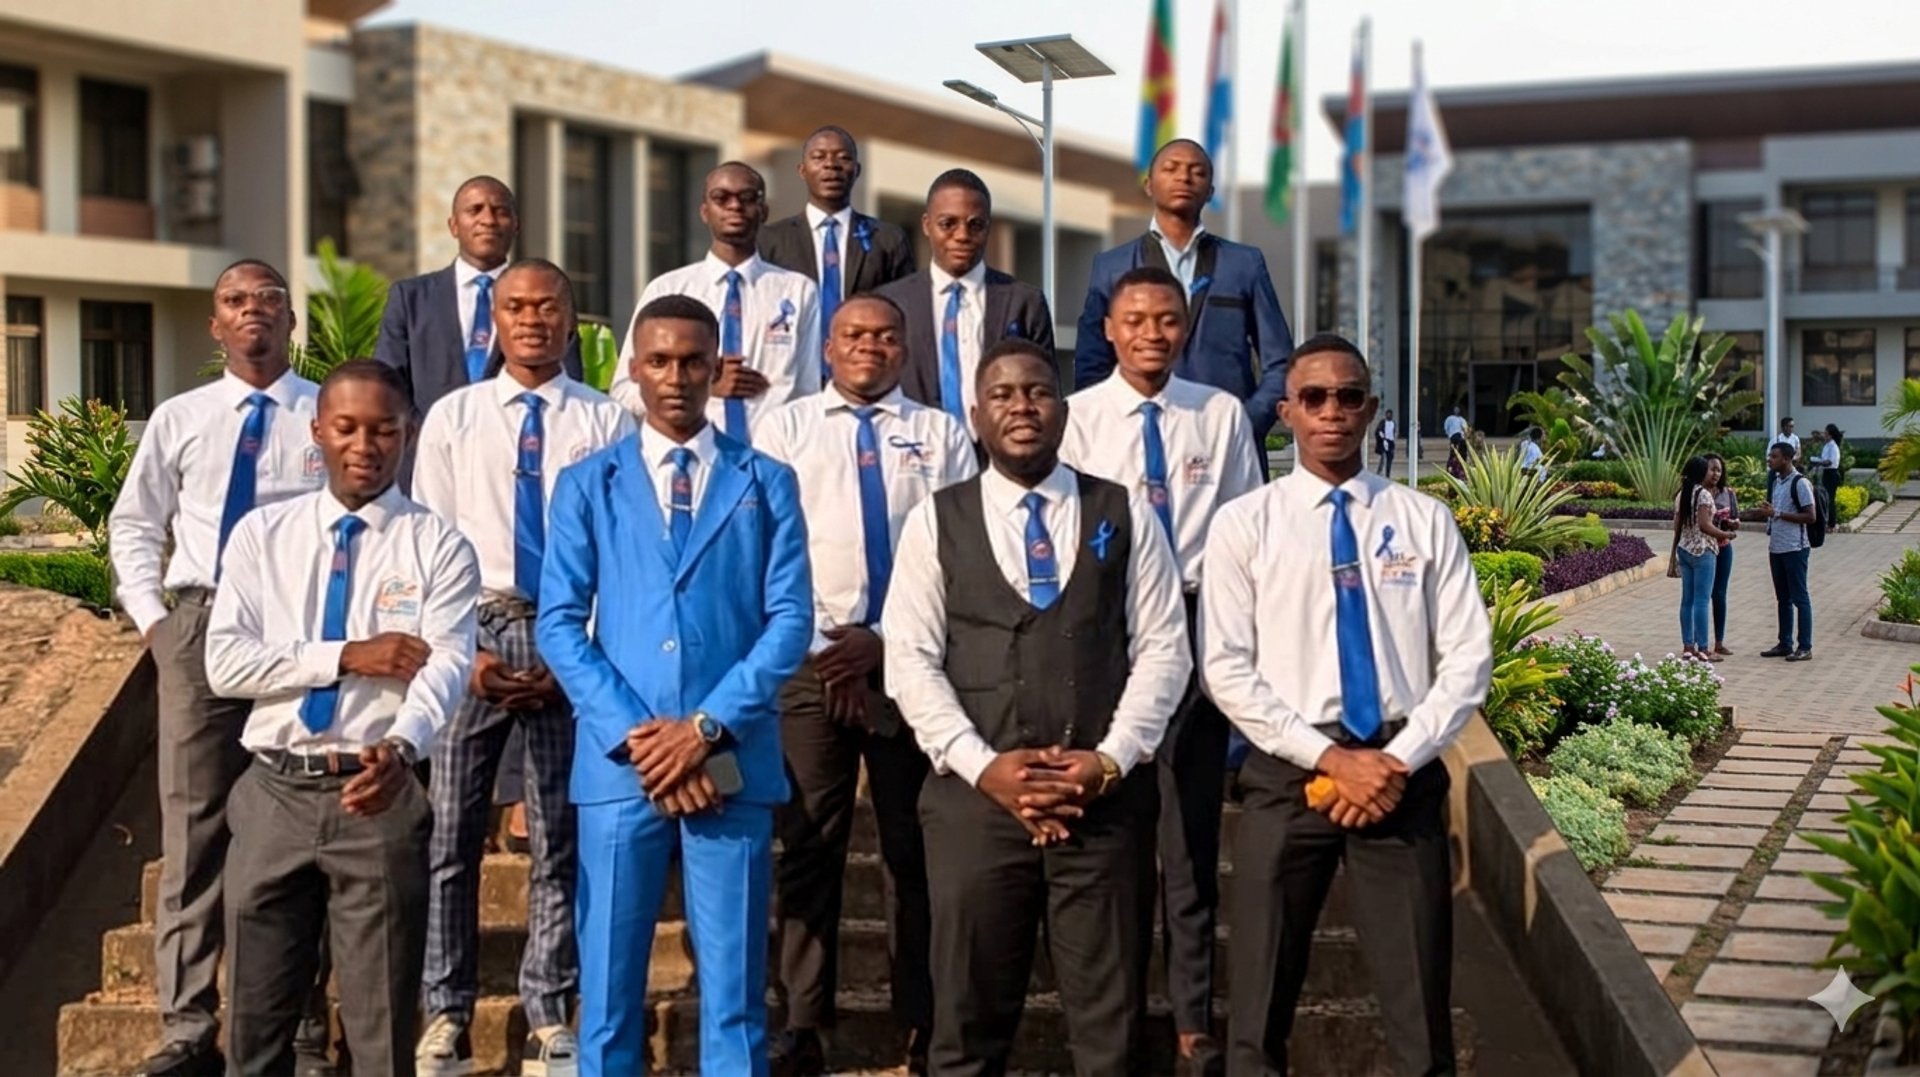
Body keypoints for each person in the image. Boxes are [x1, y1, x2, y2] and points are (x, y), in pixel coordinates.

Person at [883, 338, 1192, 1076]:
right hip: (974, 808)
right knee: (966, 1024)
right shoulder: (937, 519)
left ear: (1062, 408)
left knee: (1108, 1030)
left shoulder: (1121, 510)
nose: (1022, 406)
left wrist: (1110, 759)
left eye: (1038, 392)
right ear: (976, 415)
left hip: (1103, 807)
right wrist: (986, 768)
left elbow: (1163, 648)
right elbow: (910, 658)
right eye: (1003, 395)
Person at [1199, 333, 1492, 1077]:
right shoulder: (1244, 524)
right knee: (1257, 1008)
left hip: (1401, 773)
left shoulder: (1424, 520)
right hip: (1287, 773)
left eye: (1349, 396)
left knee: (1420, 1011)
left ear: (1372, 409)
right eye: (1315, 398)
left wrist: (1390, 762)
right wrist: (1331, 758)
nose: (1333, 411)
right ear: (1288, 412)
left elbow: (1466, 660)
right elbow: (1225, 669)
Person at [537, 294, 813, 1077]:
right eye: (659, 359)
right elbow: (560, 621)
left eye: (694, 360)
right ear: (634, 367)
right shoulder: (588, 482)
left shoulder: (768, 482)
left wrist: (704, 728)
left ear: (717, 367)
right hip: (623, 766)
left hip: (729, 759)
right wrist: (641, 734)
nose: (677, 376)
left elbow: (789, 620)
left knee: (734, 995)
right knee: (610, 990)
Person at [207, 360, 481, 1076]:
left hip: (375, 791)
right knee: (256, 1028)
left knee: (380, 1031)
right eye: (349, 428)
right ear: (318, 430)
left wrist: (400, 743)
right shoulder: (262, 537)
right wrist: (347, 655)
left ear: (407, 434)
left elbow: (444, 666)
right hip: (274, 793)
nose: (366, 444)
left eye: (385, 429)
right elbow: (227, 664)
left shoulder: (439, 545)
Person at [411, 260, 634, 1077]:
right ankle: (444, 1011)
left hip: (567, 632)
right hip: (475, 626)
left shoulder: (606, 421)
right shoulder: (454, 418)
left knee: (557, 836)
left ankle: (549, 1011)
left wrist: (579, 659)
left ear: (571, 319)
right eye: (515, 307)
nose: (532, 320)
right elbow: (425, 539)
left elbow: (620, 549)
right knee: (449, 836)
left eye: (547, 307)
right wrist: (458, 652)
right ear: (493, 320)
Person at [107, 260, 328, 1077]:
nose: (253, 314)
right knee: (195, 825)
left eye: (269, 301)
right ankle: (187, 1023)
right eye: (237, 302)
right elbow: (135, 524)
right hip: (199, 622)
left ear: (291, 320)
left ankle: (300, 1024)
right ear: (216, 324)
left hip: (294, 627)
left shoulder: (324, 414)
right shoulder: (183, 417)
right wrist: (156, 623)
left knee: (298, 824)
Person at [754, 294, 977, 1076]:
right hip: (809, 665)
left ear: (903, 346)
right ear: (828, 347)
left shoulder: (943, 433)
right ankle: (803, 1020)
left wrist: (880, 643)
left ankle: (921, 1019)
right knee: (808, 844)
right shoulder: (783, 427)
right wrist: (829, 648)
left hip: (910, 664)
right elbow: (771, 545)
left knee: (911, 850)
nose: (869, 348)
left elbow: (957, 549)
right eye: (853, 335)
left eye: (885, 336)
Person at [1058, 266, 1262, 1077]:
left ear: (1186, 327)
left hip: (1199, 630)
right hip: (1110, 642)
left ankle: (1190, 1014)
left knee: (1190, 839)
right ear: (1108, 328)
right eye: (1135, 319)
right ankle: (1115, 1011)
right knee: (1113, 839)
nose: (1152, 333)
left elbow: (1247, 533)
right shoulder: (1075, 420)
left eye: (1167, 320)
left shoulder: (1217, 416)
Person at [1072, 140, 1293, 449]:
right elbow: (1092, 363)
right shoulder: (1112, 267)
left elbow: (1280, 362)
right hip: (1139, 438)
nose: (1184, 178)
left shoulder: (1244, 264)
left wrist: (1246, 422)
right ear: (1149, 185)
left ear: (1211, 191)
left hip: (1227, 441)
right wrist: (1114, 428)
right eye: (1171, 169)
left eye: (1197, 171)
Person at [613, 162, 821, 446]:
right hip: (689, 454)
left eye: (747, 198)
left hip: (771, 459)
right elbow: (623, 392)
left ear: (763, 211)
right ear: (705, 212)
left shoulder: (798, 291)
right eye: (721, 198)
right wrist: (702, 386)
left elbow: (809, 394)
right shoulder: (668, 289)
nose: (734, 206)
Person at [375, 176, 585, 428]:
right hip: (424, 454)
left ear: (516, 225)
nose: (488, 220)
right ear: (453, 225)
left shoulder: (547, 297)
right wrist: (432, 440)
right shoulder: (410, 298)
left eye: (500, 211)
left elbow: (568, 382)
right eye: (475, 210)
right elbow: (387, 384)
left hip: (517, 450)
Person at [875, 169, 1054, 437]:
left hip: (998, 460)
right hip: (913, 455)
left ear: (988, 227)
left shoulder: (1024, 302)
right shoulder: (889, 303)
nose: (962, 235)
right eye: (948, 223)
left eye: (975, 225)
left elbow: (1044, 390)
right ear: (926, 225)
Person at [757, 126, 916, 365]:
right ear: (802, 170)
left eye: (843, 157)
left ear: (857, 170)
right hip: (790, 371)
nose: (831, 165)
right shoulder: (769, 239)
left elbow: (907, 313)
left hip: (866, 369)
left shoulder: (887, 239)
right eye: (819, 157)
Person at [1671, 455, 1733, 662]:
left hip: (1685, 549)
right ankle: (1704, 648)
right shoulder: (1704, 495)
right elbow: (1705, 525)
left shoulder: (1681, 495)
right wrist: (1725, 534)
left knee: (1686, 600)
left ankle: (1688, 646)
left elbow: (1678, 525)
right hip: (1703, 550)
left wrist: (1674, 550)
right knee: (1701, 600)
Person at [1761, 440, 1817, 662]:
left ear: (1786, 458)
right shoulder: (1776, 481)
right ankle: (1785, 643)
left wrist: (1777, 514)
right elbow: (1774, 512)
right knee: (1782, 598)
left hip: (1795, 548)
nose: (1770, 460)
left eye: (1774, 457)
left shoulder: (1800, 483)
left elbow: (1810, 516)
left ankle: (1805, 646)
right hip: (1776, 547)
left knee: (1799, 597)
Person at [1702, 453, 1740, 657]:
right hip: (1704, 549)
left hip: (1724, 548)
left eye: (1719, 469)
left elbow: (1736, 518)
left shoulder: (1728, 493)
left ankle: (1719, 641)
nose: (1716, 473)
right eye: (1711, 469)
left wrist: (1733, 524)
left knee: (1720, 594)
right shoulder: (1697, 493)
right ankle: (1700, 643)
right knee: (1702, 597)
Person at [1816, 424, 1844, 530]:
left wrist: (1821, 462)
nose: (1824, 435)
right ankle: (1827, 521)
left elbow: (1830, 461)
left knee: (1830, 498)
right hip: (1826, 473)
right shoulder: (1827, 445)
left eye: (1826, 433)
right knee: (1826, 498)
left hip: (1832, 473)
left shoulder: (1833, 446)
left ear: (1831, 435)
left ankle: (1832, 523)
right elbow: (1824, 458)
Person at [1375, 409, 1397, 477]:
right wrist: (1383, 438)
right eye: (1388, 414)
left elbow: (1394, 432)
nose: (1389, 416)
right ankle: (1379, 472)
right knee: (1383, 458)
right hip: (1384, 441)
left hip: (1391, 442)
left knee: (1389, 459)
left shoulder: (1393, 423)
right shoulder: (1383, 422)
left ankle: (1388, 474)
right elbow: (1379, 431)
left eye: (1390, 414)